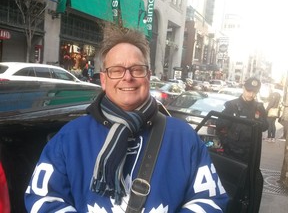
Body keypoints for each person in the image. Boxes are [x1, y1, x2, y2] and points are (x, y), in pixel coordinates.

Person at [24, 26, 228, 212]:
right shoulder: (70, 137)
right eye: (116, 70)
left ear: (148, 76)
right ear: (104, 80)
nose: (127, 77)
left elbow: (209, 200)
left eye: (136, 69)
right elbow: (44, 199)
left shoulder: (183, 138)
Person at [216, 77, 268, 162]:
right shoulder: (232, 105)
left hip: (251, 152)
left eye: (254, 92)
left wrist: (259, 122)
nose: (251, 94)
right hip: (232, 152)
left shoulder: (259, 107)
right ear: (243, 88)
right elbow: (219, 124)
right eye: (249, 91)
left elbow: (265, 126)